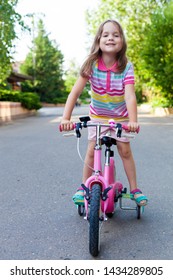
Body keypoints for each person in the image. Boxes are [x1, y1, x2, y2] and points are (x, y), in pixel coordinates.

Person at [60, 19, 148, 206]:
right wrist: (65, 118)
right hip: (98, 116)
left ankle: (134, 189)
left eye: (116, 35)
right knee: (92, 150)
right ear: (98, 39)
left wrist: (133, 121)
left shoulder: (126, 66)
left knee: (124, 150)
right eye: (106, 34)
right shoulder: (91, 64)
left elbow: (130, 96)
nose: (111, 38)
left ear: (122, 41)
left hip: (121, 117)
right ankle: (83, 186)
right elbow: (75, 92)